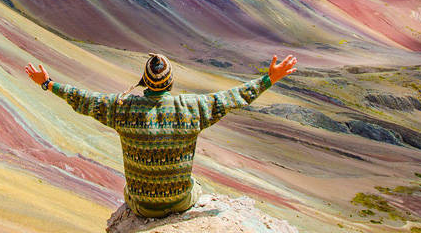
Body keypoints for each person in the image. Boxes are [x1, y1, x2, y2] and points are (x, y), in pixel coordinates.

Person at [23, 53, 298, 218]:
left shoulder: (122, 109)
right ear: (171, 82)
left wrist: (47, 83)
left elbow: (83, 98)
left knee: (129, 190)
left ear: (144, 81)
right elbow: (231, 98)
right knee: (196, 184)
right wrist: (268, 79)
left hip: (141, 206)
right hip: (180, 202)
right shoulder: (192, 108)